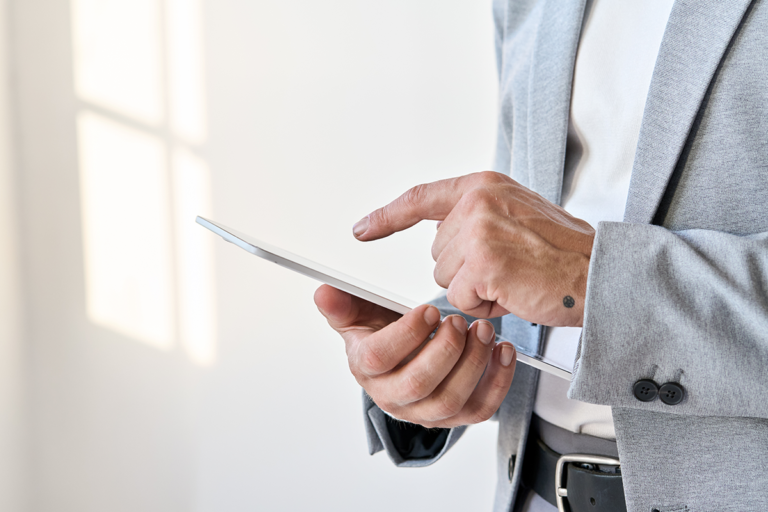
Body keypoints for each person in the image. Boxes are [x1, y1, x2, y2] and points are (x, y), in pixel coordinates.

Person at [314, 0, 768, 510]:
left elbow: (566, 269)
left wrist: (591, 275)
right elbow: (529, 263)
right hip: (531, 490)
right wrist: (431, 354)